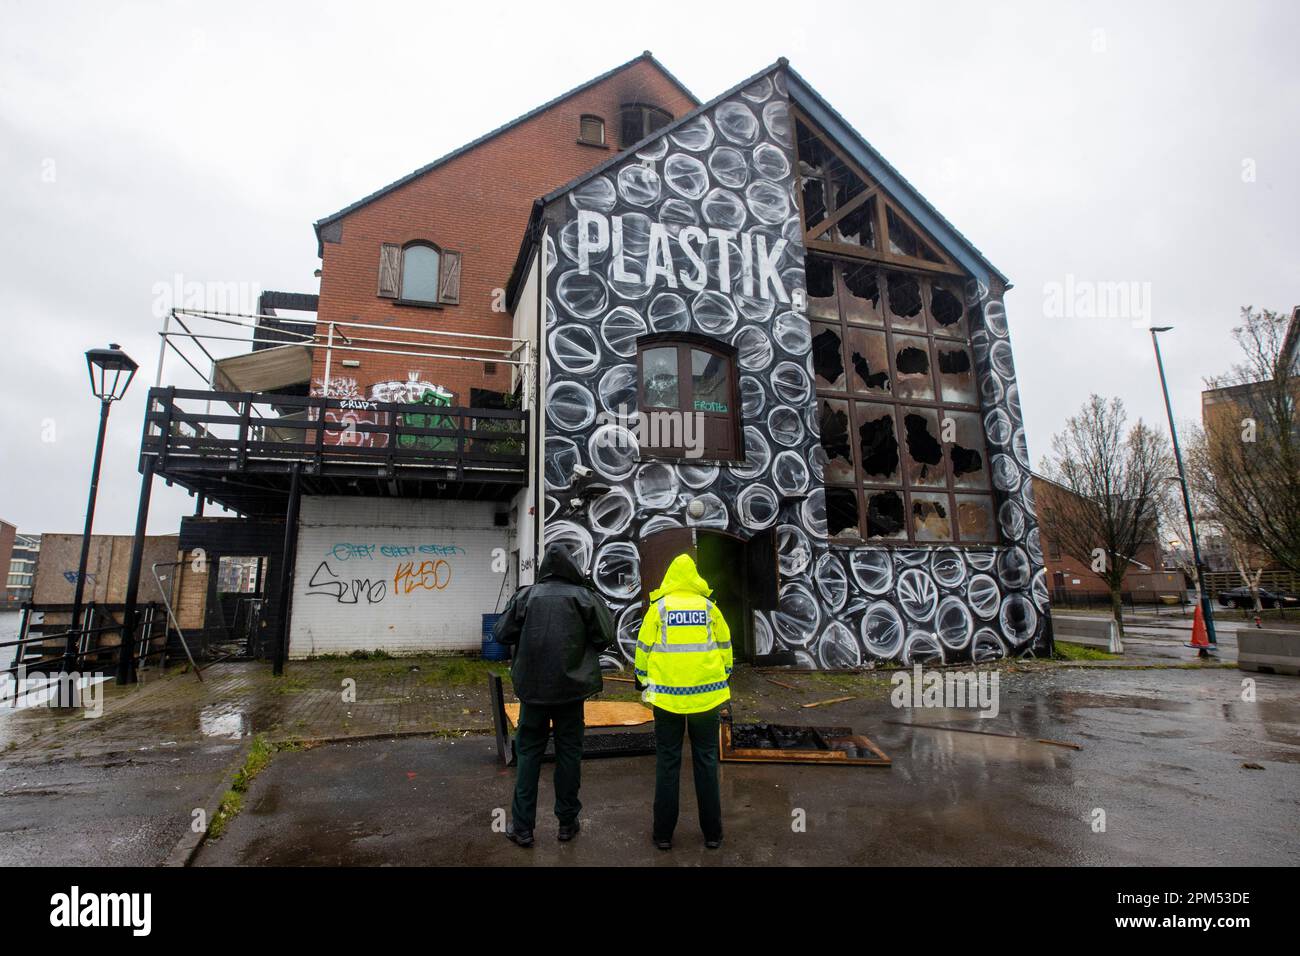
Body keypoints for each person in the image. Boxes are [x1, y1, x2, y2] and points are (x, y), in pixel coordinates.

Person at [494, 543, 614, 847]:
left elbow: (501, 634)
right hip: (571, 693)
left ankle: (522, 827)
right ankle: (567, 823)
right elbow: (605, 637)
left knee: (529, 755)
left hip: (533, 693)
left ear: (544, 568)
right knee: (569, 754)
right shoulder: (584, 597)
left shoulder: (525, 596)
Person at [634, 554, 732, 851]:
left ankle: (663, 835)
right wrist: (722, 678)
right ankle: (712, 834)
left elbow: (642, 648)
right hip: (707, 699)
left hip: (667, 700)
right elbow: (726, 648)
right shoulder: (709, 608)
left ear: (670, 578)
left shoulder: (659, 609)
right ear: (695, 578)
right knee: (705, 762)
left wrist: (643, 679)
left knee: (668, 762)